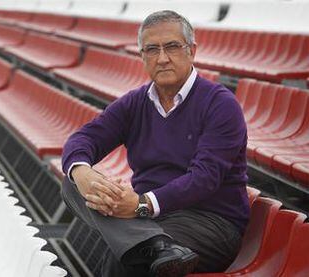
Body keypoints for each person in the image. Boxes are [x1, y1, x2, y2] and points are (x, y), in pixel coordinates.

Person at [61, 10, 250, 277]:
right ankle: (156, 246)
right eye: (152, 49)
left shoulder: (220, 104)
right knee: (72, 184)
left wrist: (141, 204)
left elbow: (205, 178)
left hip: (209, 221)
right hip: (150, 219)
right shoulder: (135, 102)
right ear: (142, 56)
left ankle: (149, 245)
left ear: (191, 50)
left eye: (172, 46)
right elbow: (85, 138)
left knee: (127, 259)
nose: (162, 58)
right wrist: (83, 173)